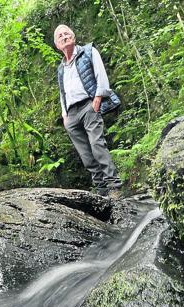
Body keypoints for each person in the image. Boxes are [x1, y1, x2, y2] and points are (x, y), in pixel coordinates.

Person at [54, 24, 122, 198]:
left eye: (66, 33)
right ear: (57, 45)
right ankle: (101, 189)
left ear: (73, 36)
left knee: (97, 145)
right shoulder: (61, 68)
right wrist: (64, 114)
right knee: (85, 154)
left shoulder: (88, 52)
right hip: (71, 114)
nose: (64, 37)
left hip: (89, 105)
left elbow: (101, 75)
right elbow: (63, 92)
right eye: (60, 36)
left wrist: (98, 98)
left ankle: (114, 185)